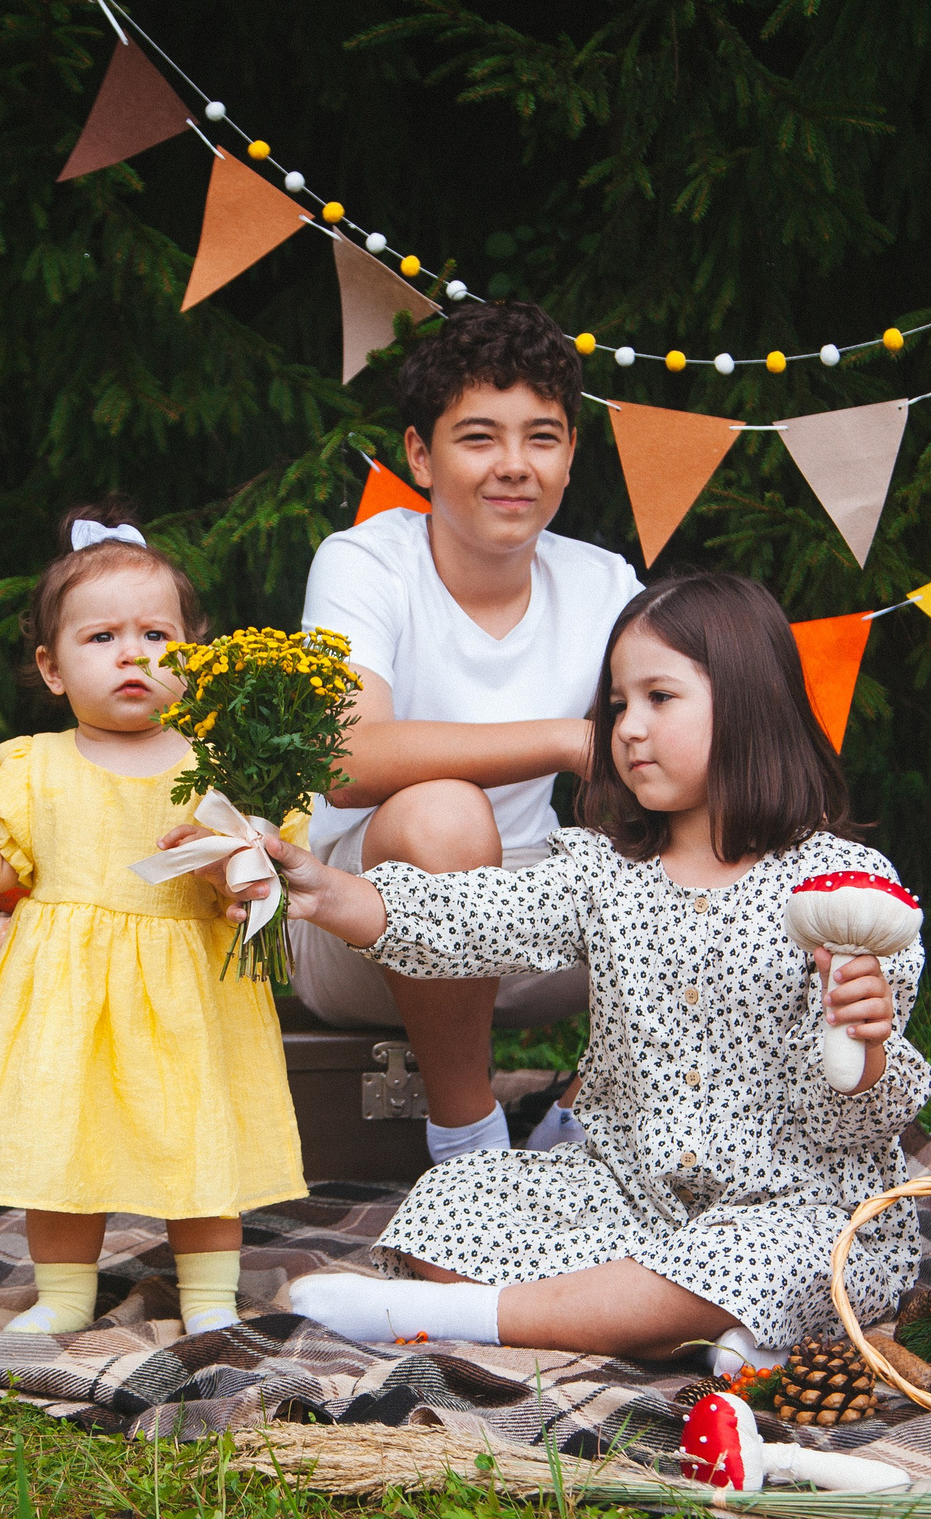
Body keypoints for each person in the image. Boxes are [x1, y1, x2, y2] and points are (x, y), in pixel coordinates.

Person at [187, 573, 931, 1364]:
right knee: (455, 1199)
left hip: (791, 1208)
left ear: (751, 703)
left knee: (778, 1256)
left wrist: (866, 1045)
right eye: (617, 704)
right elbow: (468, 919)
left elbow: (855, 1123)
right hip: (626, 1197)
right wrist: (325, 891)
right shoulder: (605, 871)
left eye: (660, 698)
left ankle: (465, 1315)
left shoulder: (845, 890)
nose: (627, 728)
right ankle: (674, 1320)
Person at [0, 504, 304, 1336]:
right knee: (63, 1139)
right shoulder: (34, 764)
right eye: (100, 638)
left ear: (195, 656)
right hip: (70, 997)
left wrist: (236, 863)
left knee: (202, 1137)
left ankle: (207, 1295)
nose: (133, 654)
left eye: (157, 636)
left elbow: (261, 875)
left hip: (188, 997)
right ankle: (64, 1292)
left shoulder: (220, 765)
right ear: (52, 668)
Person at [293, 302, 642, 1163]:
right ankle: (467, 1141)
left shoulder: (603, 585)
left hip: (534, 925)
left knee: (717, 851)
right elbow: (345, 759)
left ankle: (587, 1117)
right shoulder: (365, 562)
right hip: (364, 921)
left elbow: (685, 754)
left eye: (542, 438)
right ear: (420, 455)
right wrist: (564, 738)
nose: (514, 466)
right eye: (479, 437)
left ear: (570, 455)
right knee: (445, 814)